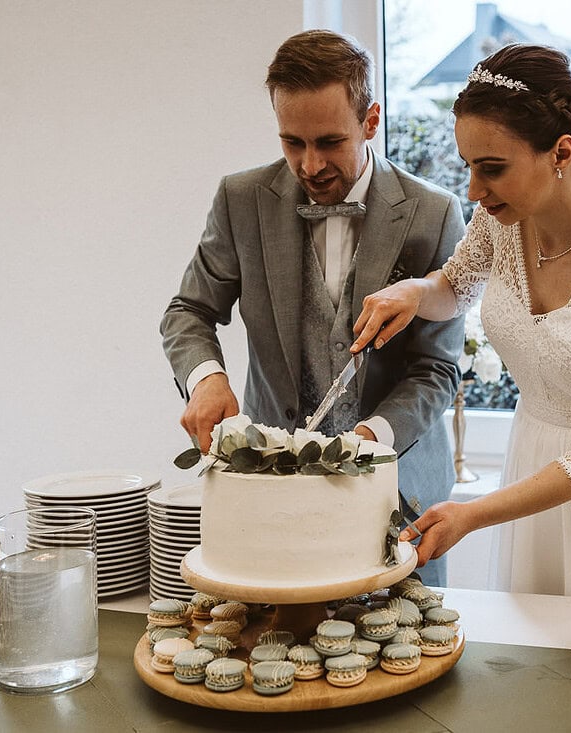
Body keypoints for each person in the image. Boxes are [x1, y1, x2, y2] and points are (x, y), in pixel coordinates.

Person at [351, 44, 571, 598]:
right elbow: (454, 287)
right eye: (469, 167)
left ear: (561, 152)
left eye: (492, 169)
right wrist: (413, 292)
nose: (474, 191)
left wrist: (474, 513)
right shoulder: (500, 220)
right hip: (534, 458)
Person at [161, 30, 466, 587]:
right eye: (292, 142)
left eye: (329, 141)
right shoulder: (240, 199)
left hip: (402, 499)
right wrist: (205, 378)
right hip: (270, 496)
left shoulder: (433, 214)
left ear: (371, 121)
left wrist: (370, 439)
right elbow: (188, 310)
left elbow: (438, 368)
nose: (310, 163)